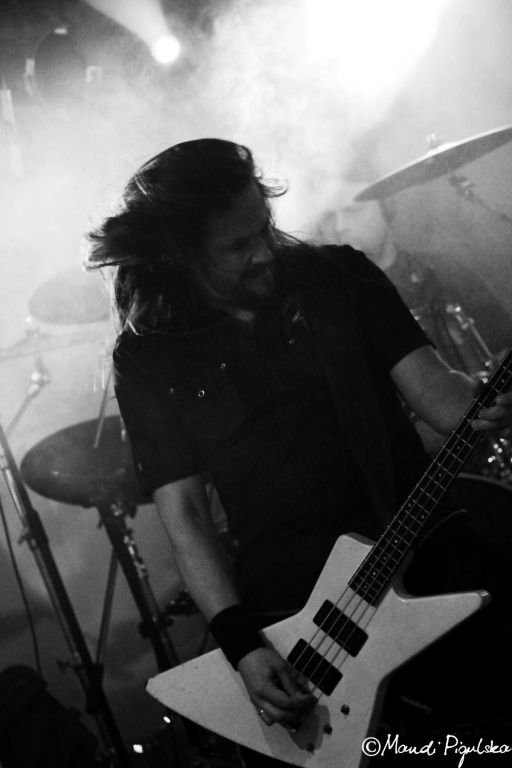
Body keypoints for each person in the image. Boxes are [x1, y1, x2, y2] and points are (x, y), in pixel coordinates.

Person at [85, 139, 512, 756]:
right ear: (181, 254)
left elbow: (442, 399)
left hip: (425, 553)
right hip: (298, 621)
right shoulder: (148, 355)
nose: (263, 252)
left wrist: (486, 401)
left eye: (264, 228)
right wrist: (243, 647)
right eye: (237, 246)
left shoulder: (338, 276)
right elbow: (186, 519)